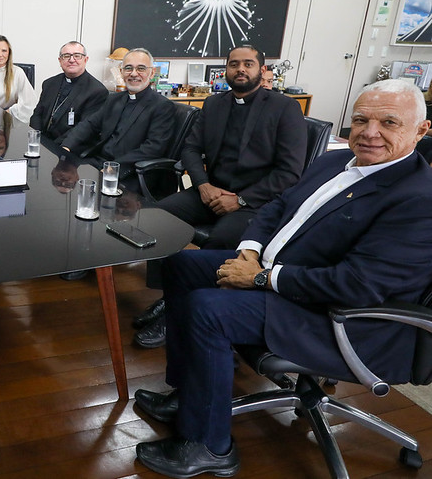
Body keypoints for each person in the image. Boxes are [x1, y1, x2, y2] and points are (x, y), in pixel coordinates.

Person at [133, 79, 432, 478]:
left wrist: (261, 278)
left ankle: (209, 445)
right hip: (281, 273)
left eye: (389, 122)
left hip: (344, 317)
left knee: (208, 309)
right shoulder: (333, 161)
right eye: (361, 119)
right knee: (182, 265)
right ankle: (187, 393)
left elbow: (358, 285)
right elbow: (278, 206)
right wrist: (251, 249)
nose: (370, 132)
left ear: (421, 131)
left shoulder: (417, 199)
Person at [133, 45, 306, 348]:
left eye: (248, 64)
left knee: (220, 241)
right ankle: (167, 297)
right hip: (210, 191)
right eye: (234, 64)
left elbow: (289, 173)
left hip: (255, 203)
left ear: (262, 70)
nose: (241, 69)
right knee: (157, 218)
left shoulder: (284, 108)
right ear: (225, 70)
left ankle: (181, 314)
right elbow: (189, 148)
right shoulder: (214, 104)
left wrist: (239, 200)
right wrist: (202, 185)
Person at [60, 47, 177, 189]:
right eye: (128, 68)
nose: (134, 74)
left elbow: (153, 148)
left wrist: (114, 168)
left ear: (152, 72)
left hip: (130, 172)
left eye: (141, 68)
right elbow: (90, 124)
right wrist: (67, 146)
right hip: (99, 161)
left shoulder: (162, 106)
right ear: (121, 72)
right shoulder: (114, 99)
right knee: (65, 179)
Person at [30, 41, 108, 145]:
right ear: (60, 60)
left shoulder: (97, 91)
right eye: (66, 56)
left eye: (77, 56)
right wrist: (35, 138)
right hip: (42, 142)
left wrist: (54, 147)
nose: (71, 60)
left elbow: (84, 129)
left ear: (86, 60)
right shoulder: (49, 83)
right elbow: (37, 115)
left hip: (68, 147)